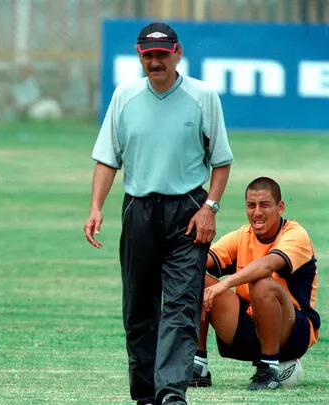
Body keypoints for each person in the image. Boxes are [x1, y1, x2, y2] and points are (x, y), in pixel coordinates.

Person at [84, 22, 233, 405]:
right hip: (138, 209)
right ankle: (146, 393)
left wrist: (210, 209)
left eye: (162, 54)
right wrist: (96, 207)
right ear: (139, 55)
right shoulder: (125, 96)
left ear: (177, 53)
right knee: (138, 304)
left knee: (182, 304)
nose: (155, 62)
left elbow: (221, 161)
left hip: (188, 210)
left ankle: (171, 393)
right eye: (149, 55)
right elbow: (107, 159)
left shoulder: (203, 97)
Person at [190, 177, 320, 390]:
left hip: (292, 332)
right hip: (248, 326)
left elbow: (267, 265)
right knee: (193, 276)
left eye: (265, 205)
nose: (257, 212)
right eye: (251, 205)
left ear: (280, 207)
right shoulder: (242, 235)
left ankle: (269, 370)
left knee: (261, 282)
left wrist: (225, 283)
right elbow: (201, 260)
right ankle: (198, 365)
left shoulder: (296, 235)